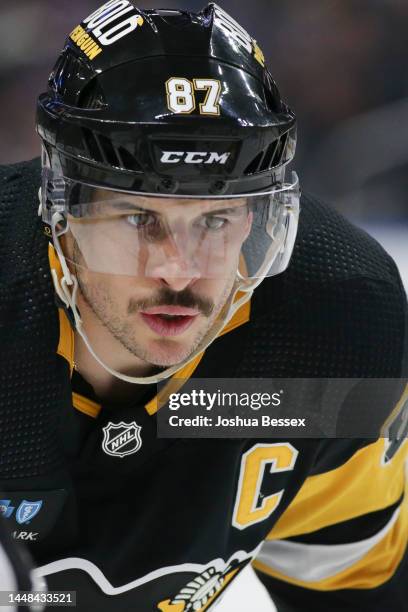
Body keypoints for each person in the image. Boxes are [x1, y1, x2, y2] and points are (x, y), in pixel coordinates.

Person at [0, 3, 407, 611]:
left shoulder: (336, 316)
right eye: (140, 218)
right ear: (62, 207)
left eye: (216, 219)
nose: (179, 270)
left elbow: (354, 585)